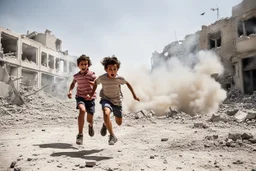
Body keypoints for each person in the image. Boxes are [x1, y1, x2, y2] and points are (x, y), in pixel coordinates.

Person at [89, 56, 140, 145]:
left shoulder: (119, 79)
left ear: (117, 69)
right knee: (106, 112)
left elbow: (128, 84)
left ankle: (105, 124)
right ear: (106, 69)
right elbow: (95, 84)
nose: (112, 71)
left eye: (114, 69)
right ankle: (112, 136)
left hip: (117, 101)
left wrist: (134, 96)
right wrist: (92, 93)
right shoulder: (102, 78)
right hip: (106, 99)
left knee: (119, 122)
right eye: (110, 69)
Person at [67, 54, 96, 145]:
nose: (83, 66)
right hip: (80, 97)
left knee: (89, 119)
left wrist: (92, 84)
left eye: (85, 64)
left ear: (88, 65)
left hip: (90, 99)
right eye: (82, 64)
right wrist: (70, 91)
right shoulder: (76, 76)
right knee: (82, 110)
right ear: (78, 65)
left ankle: (91, 125)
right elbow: (73, 84)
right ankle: (80, 134)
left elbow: (96, 83)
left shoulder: (92, 74)